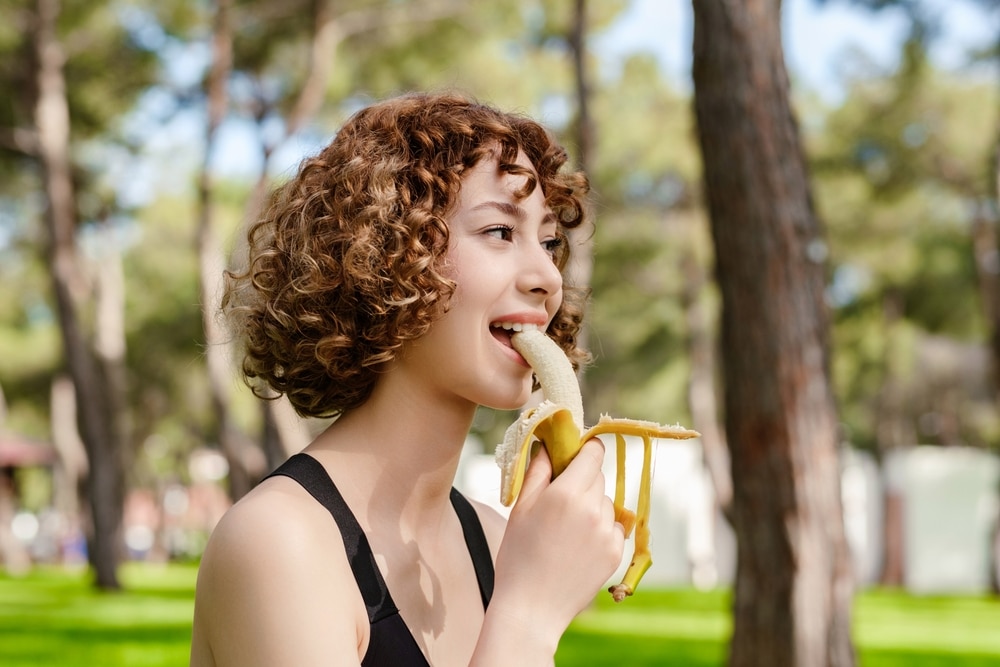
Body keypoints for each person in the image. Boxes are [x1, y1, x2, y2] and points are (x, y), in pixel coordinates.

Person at [189, 91, 625, 667]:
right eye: (499, 231)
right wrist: (528, 617)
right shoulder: (279, 544)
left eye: (548, 242)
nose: (548, 276)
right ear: (385, 256)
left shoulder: (501, 545)